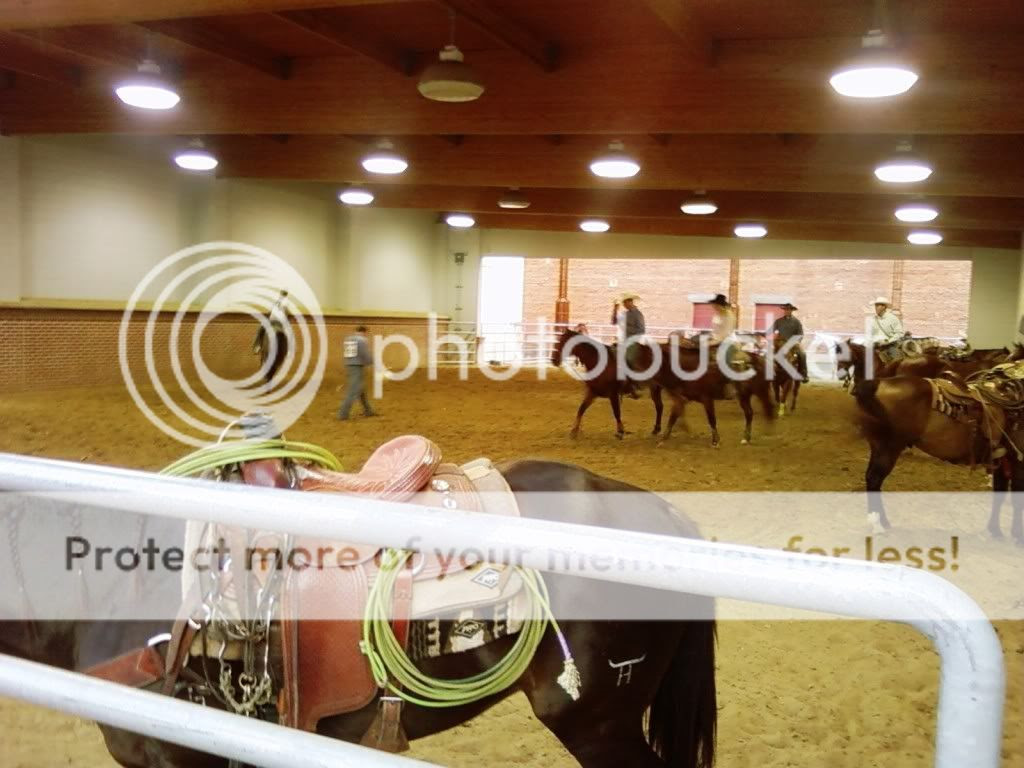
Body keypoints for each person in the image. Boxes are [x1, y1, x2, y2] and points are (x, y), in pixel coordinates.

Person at [251, 289, 291, 386]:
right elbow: (288, 314)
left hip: (272, 322)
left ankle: (257, 346)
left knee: (260, 329)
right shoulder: (286, 303)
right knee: (289, 335)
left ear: (281, 294)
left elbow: (270, 312)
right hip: (281, 324)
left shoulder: (276, 302)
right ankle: (288, 351)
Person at [338, 325, 376, 420]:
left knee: (361, 389)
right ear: (364, 332)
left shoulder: (348, 339)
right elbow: (365, 354)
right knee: (353, 390)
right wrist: (371, 362)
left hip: (349, 365)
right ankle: (343, 414)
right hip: (357, 367)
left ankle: (368, 410)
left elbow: (349, 354)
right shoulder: (362, 340)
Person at [611, 292, 646, 396]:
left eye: (625, 303)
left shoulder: (638, 314)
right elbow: (614, 322)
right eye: (623, 303)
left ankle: (633, 385)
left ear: (630, 302)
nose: (624, 305)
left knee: (628, 360)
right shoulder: (624, 314)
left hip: (632, 342)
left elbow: (641, 330)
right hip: (622, 342)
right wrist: (615, 309)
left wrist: (628, 332)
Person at [769, 302, 808, 382]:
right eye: (786, 310)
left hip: (792, 342)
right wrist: (761, 333)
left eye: (789, 310)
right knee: (768, 352)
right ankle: (768, 372)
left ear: (791, 311)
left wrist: (796, 342)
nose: (787, 311)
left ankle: (803, 374)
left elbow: (800, 334)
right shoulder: (778, 321)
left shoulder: (796, 322)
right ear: (784, 310)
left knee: (802, 354)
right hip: (780, 342)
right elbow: (770, 330)